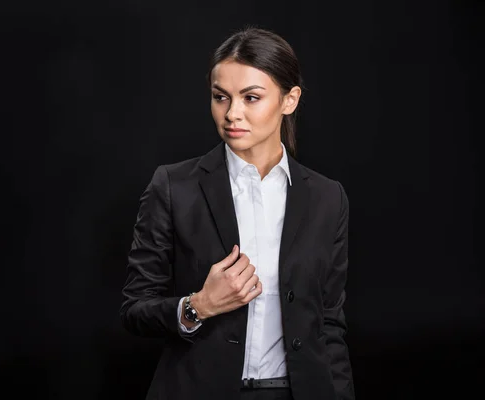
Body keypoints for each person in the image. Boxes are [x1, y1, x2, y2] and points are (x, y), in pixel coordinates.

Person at [119, 27, 354, 400]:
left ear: (289, 100)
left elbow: (328, 326)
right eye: (220, 97)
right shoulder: (174, 186)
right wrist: (198, 306)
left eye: (251, 97)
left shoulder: (327, 198)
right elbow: (135, 308)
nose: (232, 114)